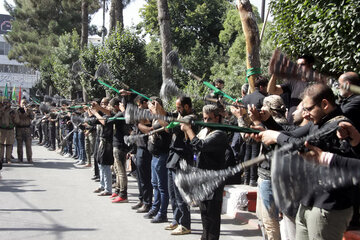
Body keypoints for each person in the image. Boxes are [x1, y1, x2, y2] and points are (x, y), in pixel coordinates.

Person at [258, 83, 355, 240]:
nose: (305, 115)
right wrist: (268, 123)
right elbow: (292, 134)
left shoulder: (338, 125)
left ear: (324, 104)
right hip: (307, 202)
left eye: (308, 109)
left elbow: (302, 144)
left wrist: (275, 137)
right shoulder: (317, 122)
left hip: (327, 206)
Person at [181, 104, 228, 240]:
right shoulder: (205, 131)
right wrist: (186, 131)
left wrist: (189, 130)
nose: (205, 122)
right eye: (204, 118)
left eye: (209, 119)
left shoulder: (219, 134)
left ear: (217, 118)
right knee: (205, 218)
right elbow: (192, 147)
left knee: (212, 220)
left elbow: (201, 146)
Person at [164, 96, 196, 235]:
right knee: (173, 193)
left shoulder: (191, 118)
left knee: (181, 195)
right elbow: (169, 128)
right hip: (173, 159)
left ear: (187, 107)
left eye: (179, 107)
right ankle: (177, 220)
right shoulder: (179, 117)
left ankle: (185, 224)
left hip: (182, 160)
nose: (177, 110)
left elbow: (175, 128)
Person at [144, 97, 171, 223]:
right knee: (154, 183)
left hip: (162, 155)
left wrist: (156, 111)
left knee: (162, 186)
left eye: (152, 104)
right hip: (154, 155)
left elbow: (167, 127)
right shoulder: (153, 117)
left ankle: (162, 212)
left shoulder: (164, 116)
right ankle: (155, 208)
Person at [267, 55, 314, 123]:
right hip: (291, 124)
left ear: (310, 65)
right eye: (297, 65)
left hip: (308, 125)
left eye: (302, 64)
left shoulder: (316, 84)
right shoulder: (293, 81)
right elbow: (271, 90)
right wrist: (275, 74)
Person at [241, 76, 269, 186]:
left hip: (246, 128)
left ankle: (246, 178)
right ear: (261, 87)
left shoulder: (245, 98)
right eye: (266, 87)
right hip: (258, 129)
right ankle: (253, 179)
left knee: (247, 153)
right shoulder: (263, 99)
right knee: (254, 153)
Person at [131, 97, 153, 213]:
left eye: (139, 105)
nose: (138, 107)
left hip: (145, 148)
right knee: (140, 177)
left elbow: (148, 128)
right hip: (139, 147)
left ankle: (147, 202)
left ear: (145, 103)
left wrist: (137, 121)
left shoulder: (150, 114)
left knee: (145, 178)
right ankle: (142, 199)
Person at [109, 97, 131, 203]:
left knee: (121, 172)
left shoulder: (121, 115)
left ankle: (123, 194)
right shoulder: (121, 114)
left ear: (117, 106)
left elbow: (109, 120)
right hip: (118, 145)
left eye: (112, 107)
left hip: (120, 146)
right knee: (117, 170)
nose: (110, 109)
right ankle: (118, 190)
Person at [91, 98, 114, 196]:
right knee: (100, 163)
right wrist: (93, 111)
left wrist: (96, 111)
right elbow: (94, 121)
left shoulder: (112, 114)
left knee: (105, 166)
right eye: (101, 103)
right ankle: (102, 185)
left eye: (105, 104)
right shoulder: (103, 114)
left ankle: (108, 189)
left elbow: (104, 121)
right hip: (101, 140)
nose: (103, 105)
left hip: (108, 142)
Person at [0, 100, 16, 164]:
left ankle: (8, 159)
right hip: (2, 130)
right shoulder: (1, 110)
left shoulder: (13, 111)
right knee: (1, 145)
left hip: (10, 130)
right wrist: (2, 111)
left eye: (7, 103)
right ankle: (1, 159)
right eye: (4, 103)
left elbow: (17, 121)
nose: (6, 104)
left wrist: (14, 117)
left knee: (9, 145)